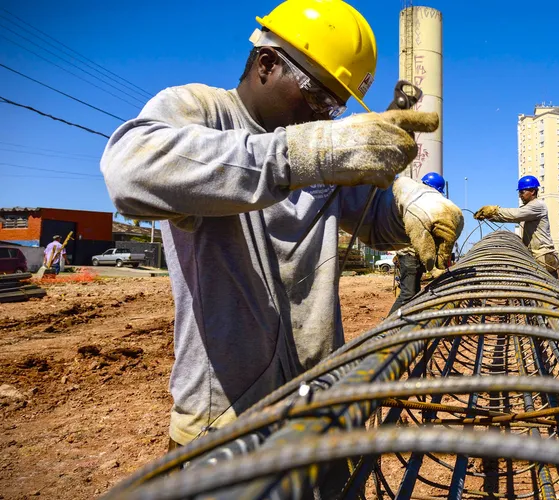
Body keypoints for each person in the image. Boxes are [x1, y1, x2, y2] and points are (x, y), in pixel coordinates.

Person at [100, 0, 463, 448]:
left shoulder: (319, 150)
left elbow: (376, 221)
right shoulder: (202, 111)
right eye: (318, 97)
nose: (323, 116)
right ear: (267, 64)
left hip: (319, 404)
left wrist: (412, 202)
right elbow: (129, 172)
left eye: (335, 107)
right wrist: (303, 153)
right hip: (225, 422)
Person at [474, 175, 559, 278]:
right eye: (519, 192)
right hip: (537, 256)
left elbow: (515, 214)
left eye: (522, 192)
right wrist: (488, 216)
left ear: (532, 191)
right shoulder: (528, 209)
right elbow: (510, 218)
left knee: (547, 289)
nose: (520, 195)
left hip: (544, 256)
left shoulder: (538, 205)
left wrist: (495, 210)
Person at [387, 172, 447, 314]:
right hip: (409, 254)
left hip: (412, 254)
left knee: (414, 292)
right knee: (408, 294)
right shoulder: (418, 204)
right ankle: (387, 328)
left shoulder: (415, 200)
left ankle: (405, 324)